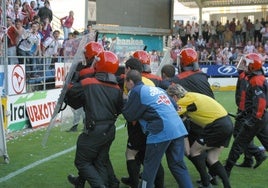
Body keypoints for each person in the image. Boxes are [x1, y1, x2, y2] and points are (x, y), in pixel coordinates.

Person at [122, 69, 193, 188]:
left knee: (150, 167)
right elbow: (175, 106)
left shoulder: (136, 91)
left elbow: (129, 115)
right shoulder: (157, 88)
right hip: (178, 128)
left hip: (161, 130)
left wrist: (124, 100)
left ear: (129, 81)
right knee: (178, 165)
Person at [66, 50, 123, 188]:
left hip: (94, 129)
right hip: (110, 129)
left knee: (82, 162)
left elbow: (70, 92)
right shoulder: (117, 88)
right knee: (100, 161)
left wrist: (74, 76)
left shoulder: (88, 83)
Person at [166, 84, 233, 188]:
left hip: (216, 125)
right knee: (212, 158)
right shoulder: (191, 96)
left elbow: (171, 115)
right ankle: (227, 185)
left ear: (174, 96)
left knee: (194, 152)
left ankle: (206, 182)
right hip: (227, 123)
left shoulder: (182, 101)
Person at [120, 57, 164, 188]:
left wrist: (124, 101)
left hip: (140, 125)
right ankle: (158, 184)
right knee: (150, 157)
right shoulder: (149, 82)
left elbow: (132, 109)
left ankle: (134, 183)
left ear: (128, 69)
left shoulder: (133, 84)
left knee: (131, 154)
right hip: (154, 124)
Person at [225, 53, 268, 177]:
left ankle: (226, 170)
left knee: (238, 143)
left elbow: (260, 102)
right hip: (260, 117)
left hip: (256, 118)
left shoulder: (255, 80)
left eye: (246, 63)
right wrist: (243, 113)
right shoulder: (257, 78)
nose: (244, 65)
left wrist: (252, 119)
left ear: (252, 66)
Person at [233, 66, 266, 168]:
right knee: (249, 136)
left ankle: (257, 154)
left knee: (239, 135)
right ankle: (248, 159)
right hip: (251, 112)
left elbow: (243, 95)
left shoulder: (244, 76)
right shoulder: (249, 75)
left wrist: (242, 111)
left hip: (246, 111)